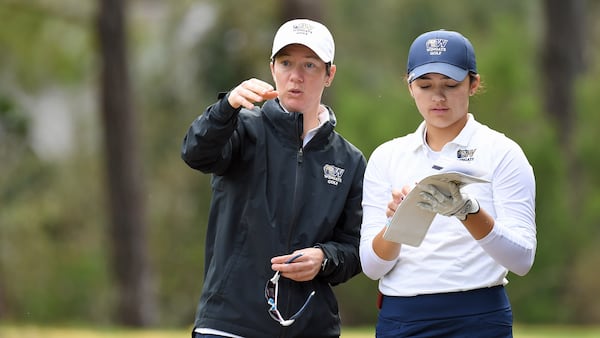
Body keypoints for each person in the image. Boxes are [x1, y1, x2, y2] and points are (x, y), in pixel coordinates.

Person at [181, 18, 366, 338]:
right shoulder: (241, 128)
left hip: (310, 327)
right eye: (286, 63)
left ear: (329, 74)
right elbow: (196, 152)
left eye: (310, 65)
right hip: (229, 324)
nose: (296, 76)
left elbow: (355, 247)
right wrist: (225, 108)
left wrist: (324, 258)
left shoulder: (349, 160)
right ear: (272, 68)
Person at [359, 29, 537, 337]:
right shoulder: (386, 156)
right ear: (409, 86)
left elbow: (522, 259)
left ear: (473, 83)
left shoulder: (503, 152)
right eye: (425, 85)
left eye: (450, 85)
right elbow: (372, 267)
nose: (437, 97)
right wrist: (399, 223)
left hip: (479, 314)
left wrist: (468, 211)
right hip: (402, 316)